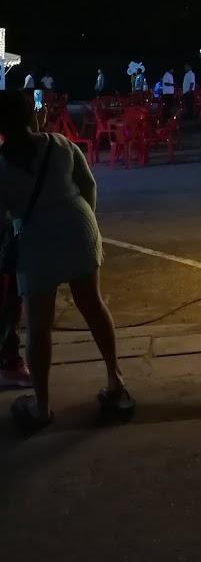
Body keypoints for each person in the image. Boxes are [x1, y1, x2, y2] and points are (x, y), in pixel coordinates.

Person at [0, 91, 134, 430]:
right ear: (31, 116)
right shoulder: (59, 144)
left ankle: (42, 407)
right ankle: (115, 382)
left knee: (38, 326)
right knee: (93, 306)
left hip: (35, 242)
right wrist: (83, 224)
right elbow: (87, 186)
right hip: (78, 227)